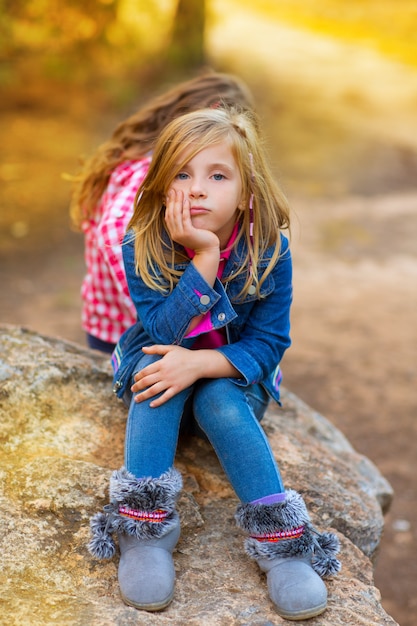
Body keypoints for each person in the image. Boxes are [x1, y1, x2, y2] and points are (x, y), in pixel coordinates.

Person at [87, 107, 341, 620]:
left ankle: (284, 544)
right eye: (182, 174)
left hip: (232, 380)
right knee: (158, 379)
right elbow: (161, 334)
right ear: (161, 186)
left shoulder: (270, 251)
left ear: (246, 192)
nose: (197, 189)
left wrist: (202, 366)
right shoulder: (142, 245)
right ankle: (145, 529)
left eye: (217, 175)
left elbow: (270, 342)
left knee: (219, 399)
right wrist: (202, 260)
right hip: (161, 366)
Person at [70, 71, 255, 354]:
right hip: (123, 330)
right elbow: (114, 228)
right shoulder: (156, 166)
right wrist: (152, 296)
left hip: (105, 317)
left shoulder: (142, 153)